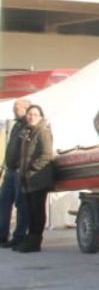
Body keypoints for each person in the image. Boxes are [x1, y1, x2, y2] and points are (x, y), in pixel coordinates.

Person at [15, 103, 54, 253]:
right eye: (29, 114)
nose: (31, 117)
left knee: (37, 210)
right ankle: (30, 238)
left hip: (38, 178)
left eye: (35, 114)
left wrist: (32, 168)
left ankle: (36, 240)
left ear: (41, 117)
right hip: (27, 178)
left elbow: (46, 155)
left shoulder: (42, 132)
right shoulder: (27, 131)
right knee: (29, 210)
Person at [0, 98, 31, 248]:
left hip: (20, 171)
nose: (14, 109)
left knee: (21, 204)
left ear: (26, 108)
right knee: (3, 202)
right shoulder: (16, 125)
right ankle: (2, 235)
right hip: (10, 170)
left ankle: (19, 236)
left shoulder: (28, 125)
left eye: (16, 107)